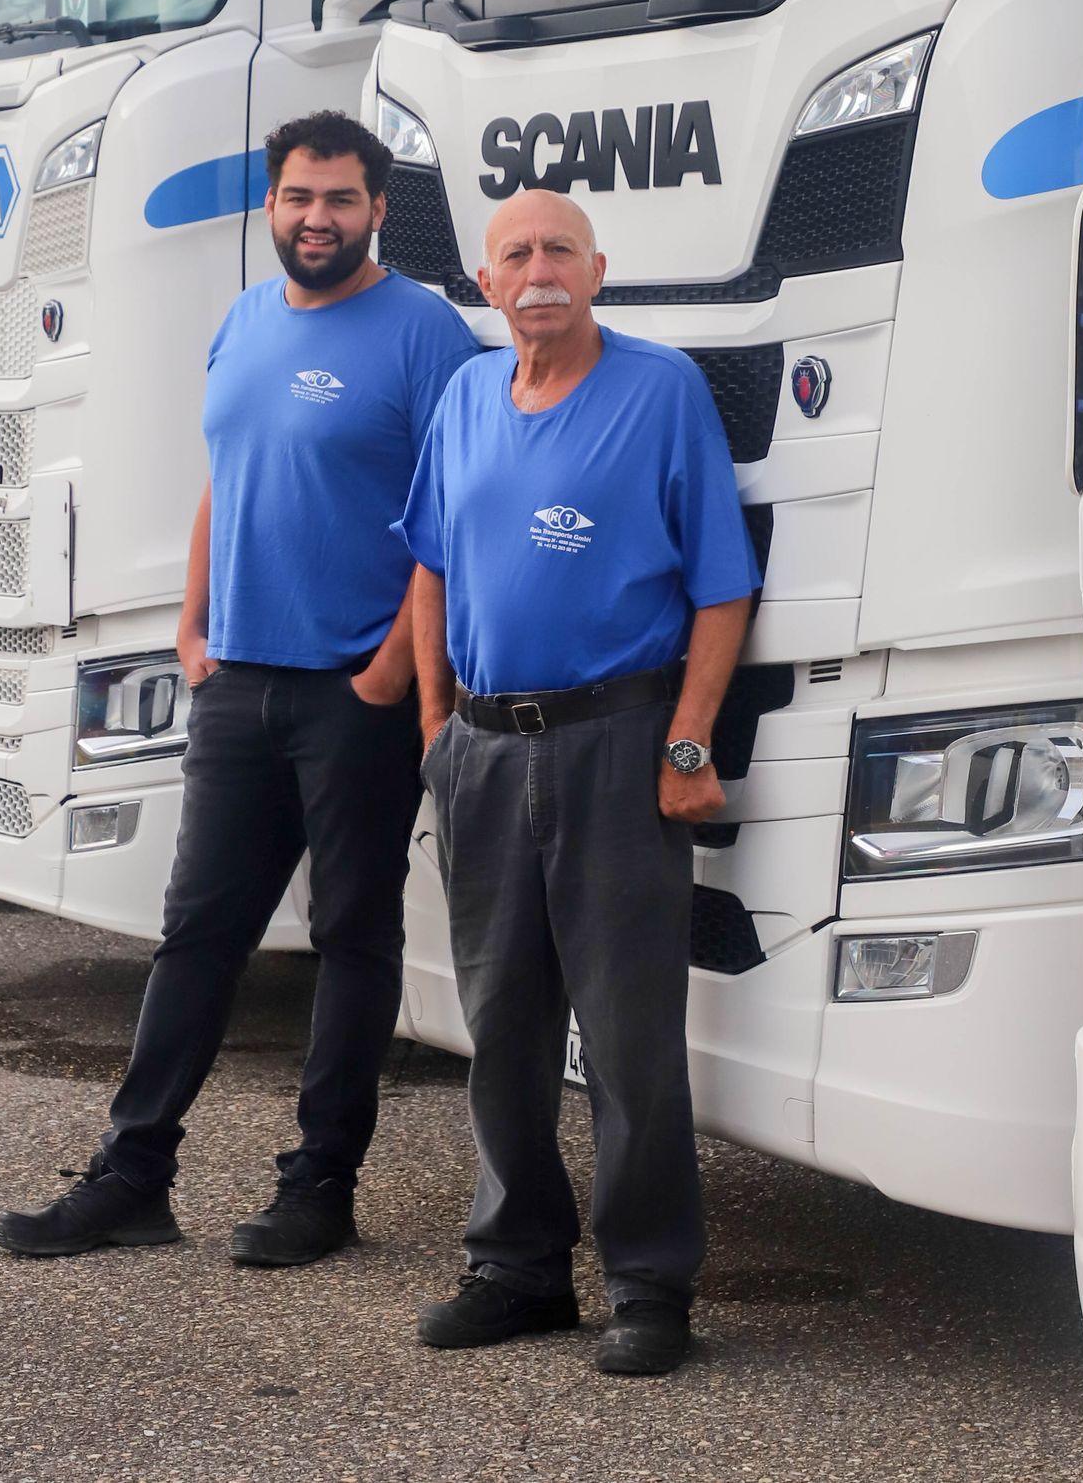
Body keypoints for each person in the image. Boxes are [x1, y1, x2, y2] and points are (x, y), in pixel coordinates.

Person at [0, 109, 478, 1270]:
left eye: (342, 199)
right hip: (237, 684)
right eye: (300, 197)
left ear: (377, 208)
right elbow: (229, 472)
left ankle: (321, 1187)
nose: (318, 218)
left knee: (352, 938)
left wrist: (390, 670)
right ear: (272, 205)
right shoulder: (245, 320)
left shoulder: (428, 335)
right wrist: (192, 620)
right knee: (197, 934)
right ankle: (132, 1173)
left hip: (351, 691)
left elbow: (461, 510)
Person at [399, 187, 758, 1376]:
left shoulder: (659, 393)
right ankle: (518, 1269)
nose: (539, 268)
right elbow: (431, 567)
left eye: (559, 248)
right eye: (516, 253)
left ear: (596, 268)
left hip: (618, 743)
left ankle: (650, 1286)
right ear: (487, 281)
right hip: (486, 753)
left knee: (627, 1036)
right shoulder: (461, 400)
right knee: (500, 1027)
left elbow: (720, 584)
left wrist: (689, 740)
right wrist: (438, 726)